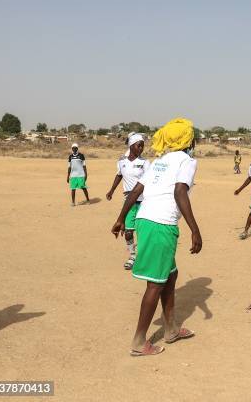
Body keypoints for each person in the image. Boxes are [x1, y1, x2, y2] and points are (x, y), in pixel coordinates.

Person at [111, 117, 202, 357]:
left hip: (145, 219)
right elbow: (180, 190)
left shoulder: (159, 161)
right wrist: (195, 229)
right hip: (161, 224)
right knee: (156, 283)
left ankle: (171, 329)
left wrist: (121, 218)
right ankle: (139, 342)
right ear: (187, 139)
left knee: (171, 275)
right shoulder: (187, 161)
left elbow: (136, 191)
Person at [106, 133, 151, 270]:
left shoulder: (145, 163)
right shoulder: (122, 161)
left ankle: (144, 257)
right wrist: (112, 190)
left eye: (143, 146)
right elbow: (119, 176)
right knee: (128, 232)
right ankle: (132, 255)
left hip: (144, 201)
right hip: (129, 202)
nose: (141, 148)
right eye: (139, 145)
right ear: (131, 145)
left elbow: (150, 182)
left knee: (143, 232)